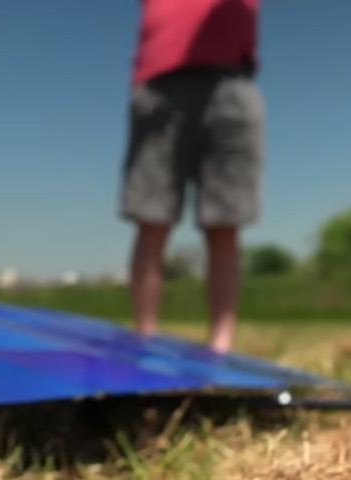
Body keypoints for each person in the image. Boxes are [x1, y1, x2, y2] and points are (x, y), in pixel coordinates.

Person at [120, 0, 264, 354]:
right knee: (151, 219)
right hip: (159, 82)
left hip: (231, 80)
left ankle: (221, 344)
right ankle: (144, 336)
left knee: (225, 223)